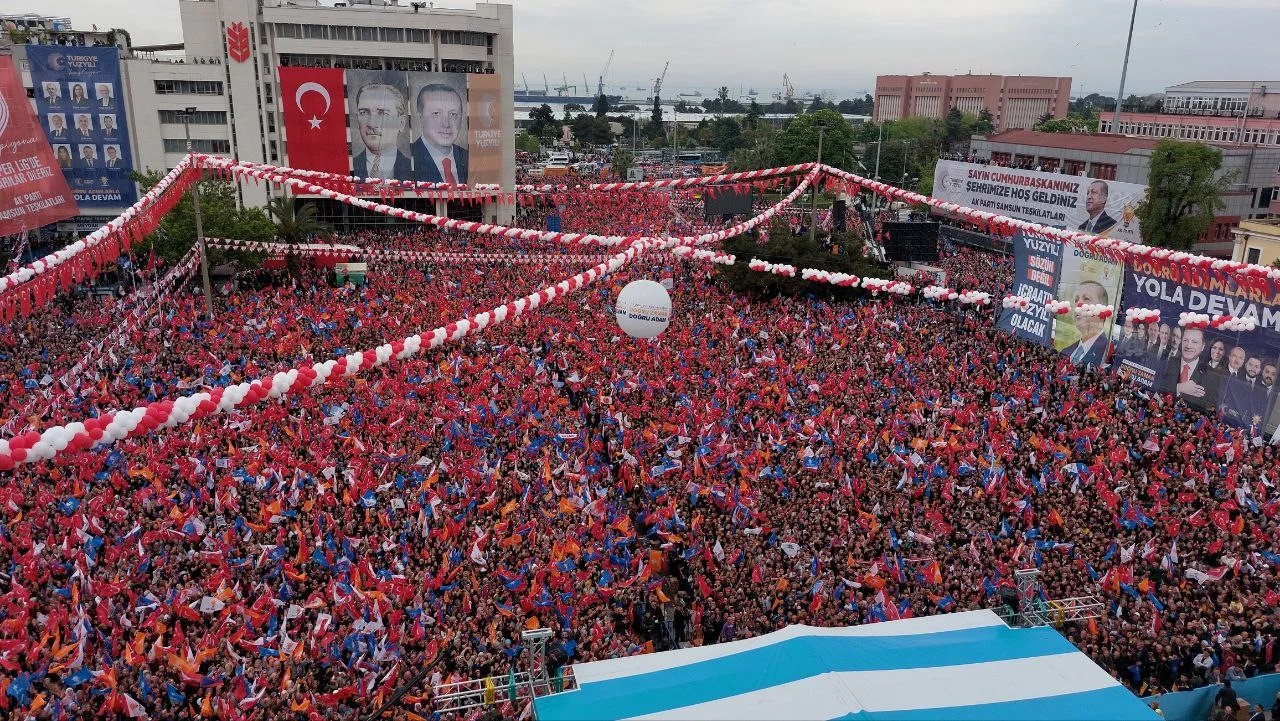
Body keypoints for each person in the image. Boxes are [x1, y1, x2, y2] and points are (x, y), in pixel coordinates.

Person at [351, 83, 413, 181]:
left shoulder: (415, 167)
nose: (372, 124)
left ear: (401, 123)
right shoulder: (350, 164)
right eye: (364, 112)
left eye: (383, 113)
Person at [412, 83, 469, 184]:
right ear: (420, 117)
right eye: (436, 114)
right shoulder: (408, 159)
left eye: (453, 114)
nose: (446, 124)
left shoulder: (470, 159)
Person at [1159, 328, 1215, 412]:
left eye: (1194, 342)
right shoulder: (1167, 361)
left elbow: (1210, 405)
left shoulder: (1211, 373)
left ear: (1203, 346)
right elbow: (1155, 384)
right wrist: (1179, 387)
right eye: (1186, 340)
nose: (1188, 346)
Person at [1060, 280, 1111, 367]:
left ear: (1103, 309)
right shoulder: (1065, 351)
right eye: (1076, 300)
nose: (1079, 304)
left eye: (1086, 298)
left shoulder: (1108, 354)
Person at [1219, 356, 1267, 427]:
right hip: (1229, 421)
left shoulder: (1263, 389)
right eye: (1250, 364)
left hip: (1247, 426)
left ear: (1260, 370)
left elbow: (1260, 411)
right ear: (1245, 365)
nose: (1253, 369)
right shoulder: (1235, 379)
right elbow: (1225, 400)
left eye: (1256, 366)